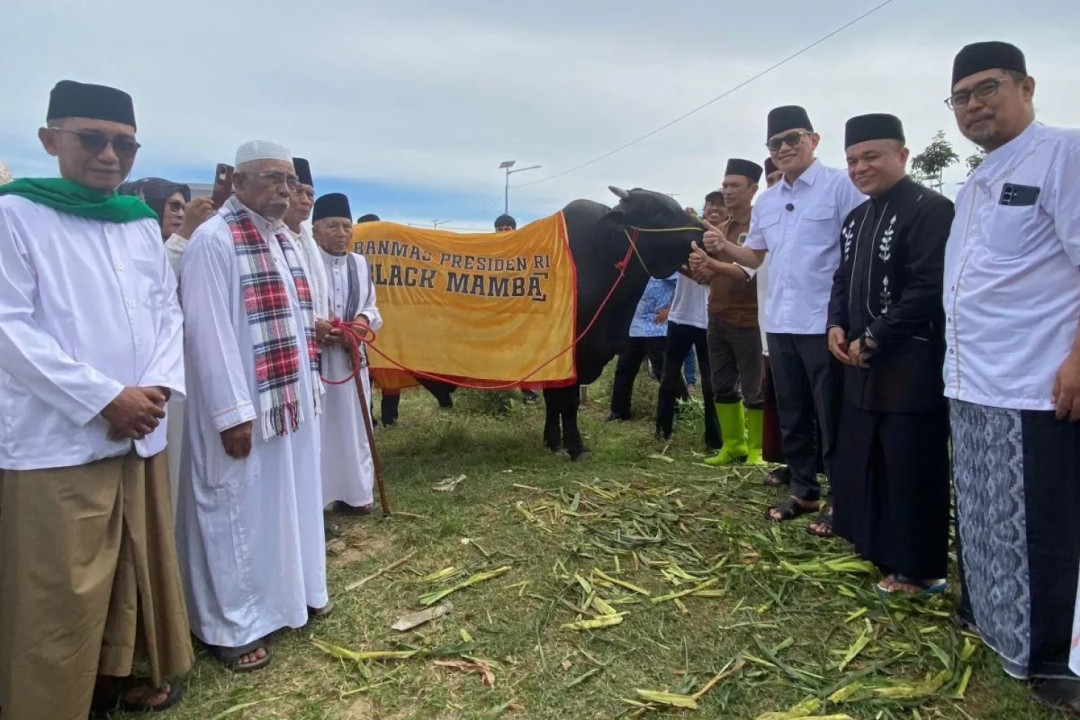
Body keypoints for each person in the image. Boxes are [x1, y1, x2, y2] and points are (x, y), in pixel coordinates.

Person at [0, 79, 191, 718]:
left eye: (125, 145)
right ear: (50, 139)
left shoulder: (138, 223)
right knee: (58, 587)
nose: (110, 155)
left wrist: (155, 389)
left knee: (136, 567)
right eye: (92, 139)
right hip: (59, 439)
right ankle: (51, 702)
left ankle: (121, 678)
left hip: (141, 430)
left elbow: (168, 311)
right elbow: (10, 328)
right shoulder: (15, 214)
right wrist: (107, 398)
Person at [943, 41, 1080, 713]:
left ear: (1026, 86)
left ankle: (1053, 656)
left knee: (1043, 523)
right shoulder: (978, 178)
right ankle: (994, 621)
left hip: (1036, 380)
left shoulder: (1066, 153)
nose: (973, 105)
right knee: (984, 516)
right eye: (961, 96)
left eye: (986, 88)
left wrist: (1079, 357)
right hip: (973, 382)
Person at [176, 141, 328, 673]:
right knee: (234, 512)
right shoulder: (215, 240)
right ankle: (232, 627)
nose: (283, 190)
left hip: (284, 404)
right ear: (237, 183)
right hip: (241, 412)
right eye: (270, 179)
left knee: (284, 503)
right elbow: (208, 334)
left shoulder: (284, 239)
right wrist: (230, 412)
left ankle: (289, 598)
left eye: (288, 181)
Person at [711, 105, 864, 529]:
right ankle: (804, 490)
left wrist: (849, 319)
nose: (784, 148)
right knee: (794, 410)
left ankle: (842, 495)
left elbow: (857, 252)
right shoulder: (768, 201)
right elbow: (755, 256)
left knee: (831, 413)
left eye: (792, 138)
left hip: (824, 323)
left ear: (814, 140)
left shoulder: (840, 186)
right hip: (779, 322)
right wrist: (721, 246)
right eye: (775, 143)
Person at [826, 114, 954, 595]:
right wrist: (836, 324)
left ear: (902, 154)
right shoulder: (857, 218)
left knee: (908, 463)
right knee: (866, 456)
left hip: (909, 361)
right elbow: (841, 280)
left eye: (871, 156)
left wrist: (876, 335)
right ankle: (877, 549)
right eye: (853, 160)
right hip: (859, 361)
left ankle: (920, 570)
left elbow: (929, 285)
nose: (860, 167)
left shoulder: (931, 209)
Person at [119, 177, 214, 509]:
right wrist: (184, 233)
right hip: (143, 379)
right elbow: (150, 292)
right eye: (173, 205)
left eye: (183, 206)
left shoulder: (191, 246)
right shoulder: (128, 250)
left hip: (184, 368)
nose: (180, 212)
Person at [690, 160, 765, 467]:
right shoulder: (718, 230)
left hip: (749, 318)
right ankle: (733, 445)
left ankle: (759, 449)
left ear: (753, 189)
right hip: (717, 316)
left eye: (735, 185)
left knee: (754, 388)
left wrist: (713, 264)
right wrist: (698, 268)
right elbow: (707, 277)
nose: (728, 191)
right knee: (720, 383)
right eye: (725, 185)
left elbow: (750, 270)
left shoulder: (760, 227)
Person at [312, 193, 382, 514]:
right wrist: (318, 326)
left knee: (356, 424)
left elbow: (371, 306)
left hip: (352, 359)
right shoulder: (307, 261)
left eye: (345, 226)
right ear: (315, 230)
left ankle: (357, 493)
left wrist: (361, 322)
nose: (341, 233)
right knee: (322, 426)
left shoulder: (361, 264)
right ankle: (322, 496)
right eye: (332, 226)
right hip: (319, 359)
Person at [655, 197, 723, 449]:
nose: (714, 210)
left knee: (711, 383)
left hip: (710, 320)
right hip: (680, 317)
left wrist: (701, 268)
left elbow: (710, 278)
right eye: (710, 206)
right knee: (668, 377)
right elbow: (671, 260)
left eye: (720, 207)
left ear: (727, 213)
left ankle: (714, 439)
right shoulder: (690, 237)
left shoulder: (727, 242)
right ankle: (662, 431)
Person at [758, 157, 790, 484]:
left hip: (811, 327)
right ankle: (796, 468)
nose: (777, 184)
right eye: (773, 179)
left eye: (782, 177)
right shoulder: (764, 216)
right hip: (771, 325)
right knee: (784, 404)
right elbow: (746, 266)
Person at [608, 273, 677, 421]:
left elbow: (685, 289)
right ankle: (619, 412)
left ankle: (679, 408)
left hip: (657, 329)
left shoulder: (665, 267)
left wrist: (670, 310)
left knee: (665, 371)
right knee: (624, 370)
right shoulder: (636, 266)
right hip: (634, 328)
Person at [119, 177, 215, 275]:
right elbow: (156, 280)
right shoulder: (123, 247)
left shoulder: (190, 247)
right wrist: (183, 233)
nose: (181, 214)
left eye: (184, 208)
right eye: (175, 206)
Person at [286, 157, 331, 340]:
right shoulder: (271, 239)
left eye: (310, 194)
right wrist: (312, 322)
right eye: (298, 192)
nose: (306, 201)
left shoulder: (309, 242)